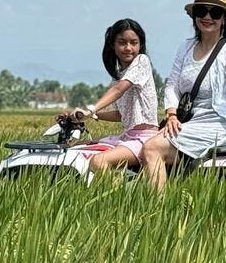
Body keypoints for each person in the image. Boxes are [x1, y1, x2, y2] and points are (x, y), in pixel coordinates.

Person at [140, 0, 226, 191]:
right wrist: (171, 114)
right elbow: (172, 85)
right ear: (194, 16)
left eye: (215, 13)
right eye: (202, 11)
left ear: (224, 20)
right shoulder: (186, 47)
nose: (207, 17)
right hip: (190, 120)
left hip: (220, 122)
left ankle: (157, 209)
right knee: (147, 144)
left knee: (152, 148)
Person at [66, 18, 160, 173]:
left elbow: (118, 91)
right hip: (127, 137)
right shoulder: (118, 76)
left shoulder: (142, 61)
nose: (128, 48)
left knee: (99, 161)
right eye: (122, 42)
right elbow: (119, 115)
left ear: (141, 45)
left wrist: (90, 110)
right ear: (112, 45)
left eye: (134, 43)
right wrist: (91, 116)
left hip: (145, 139)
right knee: (79, 147)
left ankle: (117, 196)